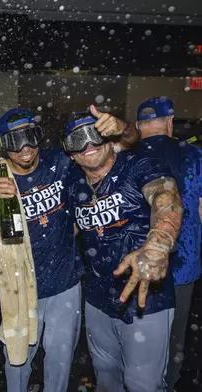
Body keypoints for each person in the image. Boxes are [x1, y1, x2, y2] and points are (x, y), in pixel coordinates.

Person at [0, 106, 136, 392]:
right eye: (14, 141)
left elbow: (125, 144)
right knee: (17, 365)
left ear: (39, 136)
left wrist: (120, 126)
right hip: (20, 290)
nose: (24, 148)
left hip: (64, 286)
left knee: (60, 363)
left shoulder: (61, 162)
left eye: (30, 137)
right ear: (3, 145)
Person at [63, 111, 182, 392]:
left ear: (110, 140)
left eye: (95, 133)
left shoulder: (138, 165)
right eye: (78, 139)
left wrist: (156, 247)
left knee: (142, 384)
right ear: (71, 154)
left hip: (145, 297)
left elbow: (167, 198)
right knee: (107, 380)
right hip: (98, 300)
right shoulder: (73, 184)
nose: (89, 143)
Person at [134, 97, 202, 391]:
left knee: (140, 342)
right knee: (174, 342)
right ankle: (169, 383)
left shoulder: (128, 156)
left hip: (141, 266)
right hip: (183, 267)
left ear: (139, 127)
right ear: (171, 122)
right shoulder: (195, 156)